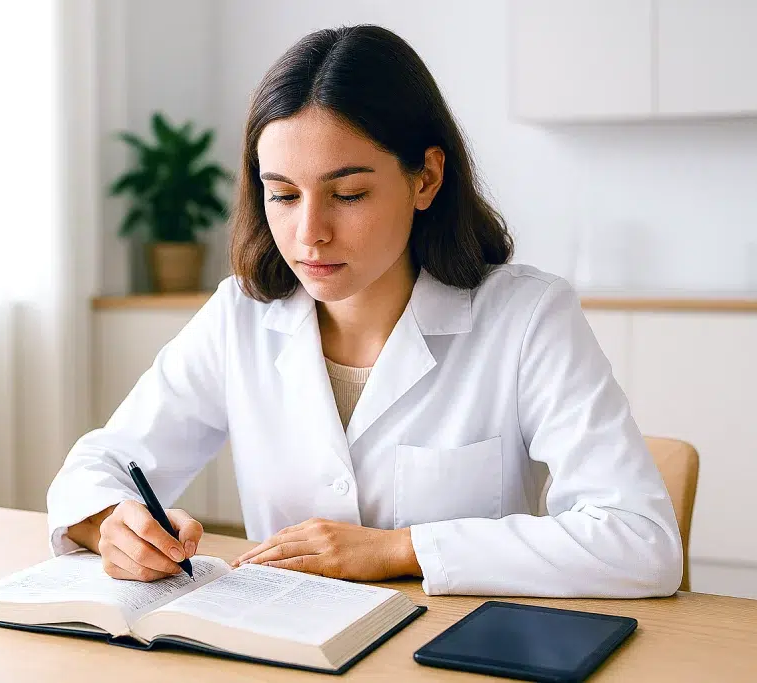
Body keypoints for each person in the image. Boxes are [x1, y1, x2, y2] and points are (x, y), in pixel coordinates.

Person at [47, 25, 683, 598]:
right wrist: (114, 525)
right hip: (289, 651)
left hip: (454, 655)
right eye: (284, 195)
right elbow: (99, 466)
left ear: (425, 179)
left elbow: (639, 542)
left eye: (347, 193)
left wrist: (397, 549)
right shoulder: (240, 315)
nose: (309, 233)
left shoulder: (526, 316)